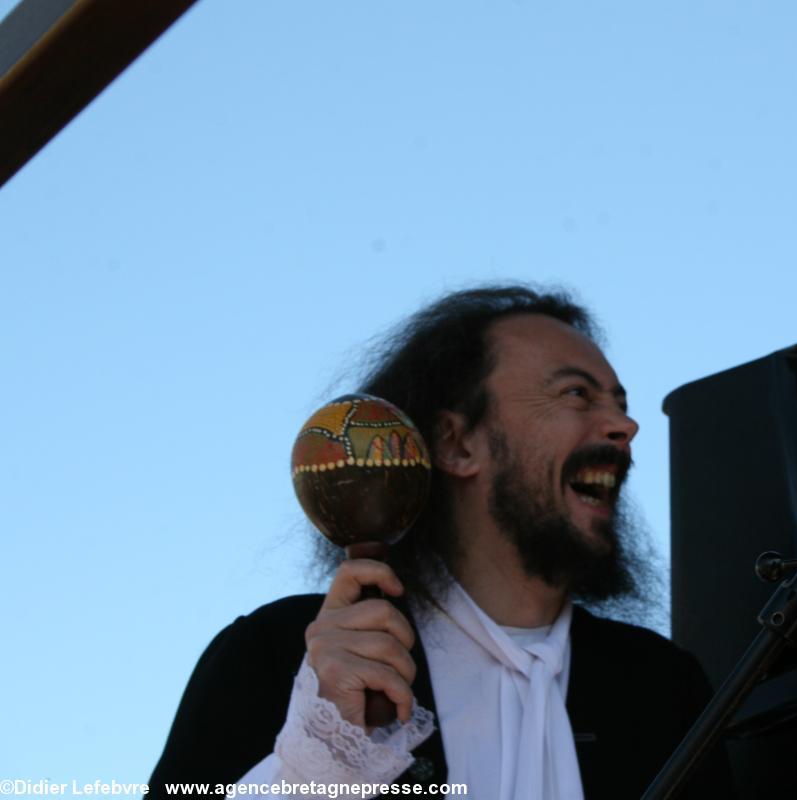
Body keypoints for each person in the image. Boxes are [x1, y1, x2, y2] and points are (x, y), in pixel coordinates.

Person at [148, 285, 734, 800]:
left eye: (620, 405)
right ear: (456, 445)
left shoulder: (662, 687)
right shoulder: (284, 657)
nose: (623, 427)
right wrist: (315, 764)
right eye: (577, 395)